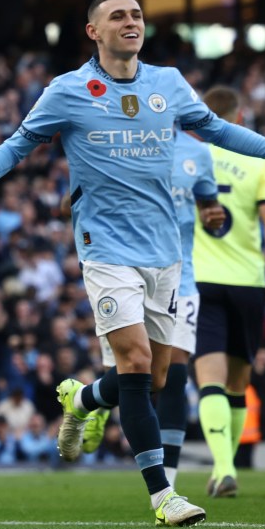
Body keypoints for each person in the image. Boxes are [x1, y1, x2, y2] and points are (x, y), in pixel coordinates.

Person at [0, 0, 265, 527]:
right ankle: (163, 496)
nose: (131, 23)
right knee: (132, 362)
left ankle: (81, 400)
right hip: (104, 247)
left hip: (164, 251)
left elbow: (217, 130)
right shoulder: (69, 90)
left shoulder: (168, 83)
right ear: (93, 32)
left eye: (136, 15)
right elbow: (21, 140)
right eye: (118, 17)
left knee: (152, 379)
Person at [61, 115, 225, 487]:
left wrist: (216, 218)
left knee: (167, 377)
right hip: (123, 267)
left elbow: (212, 210)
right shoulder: (119, 143)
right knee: (139, 371)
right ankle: (163, 488)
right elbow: (72, 199)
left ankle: (86, 400)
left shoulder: (198, 154)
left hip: (178, 275)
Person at [191, 86, 265, 498]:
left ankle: (222, 468)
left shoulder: (188, 157)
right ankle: (227, 466)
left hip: (200, 282)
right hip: (249, 285)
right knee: (238, 385)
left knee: (210, 383)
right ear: (238, 122)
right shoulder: (258, 163)